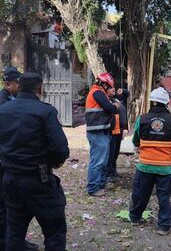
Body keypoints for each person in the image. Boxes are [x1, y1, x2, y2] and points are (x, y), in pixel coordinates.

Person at [0, 72, 69, 251]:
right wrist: (54, 162)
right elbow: (60, 148)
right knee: (54, 230)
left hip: (10, 178)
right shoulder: (45, 111)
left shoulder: (3, 110)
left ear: (19, 87)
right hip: (38, 179)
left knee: (14, 230)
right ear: (40, 88)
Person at [129, 87, 171, 236]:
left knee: (140, 194)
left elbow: (135, 139)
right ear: (166, 103)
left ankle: (134, 218)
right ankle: (163, 226)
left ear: (152, 102)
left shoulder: (143, 119)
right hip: (165, 168)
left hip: (145, 166)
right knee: (164, 197)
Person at [85, 73, 120, 196]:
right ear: (104, 84)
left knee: (102, 160)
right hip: (97, 132)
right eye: (109, 86)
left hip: (101, 131)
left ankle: (99, 184)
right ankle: (93, 188)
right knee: (98, 161)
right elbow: (109, 108)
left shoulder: (99, 92)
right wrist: (114, 106)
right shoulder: (97, 92)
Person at [106, 89, 128, 182]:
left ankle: (113, 170)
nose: (113, 90)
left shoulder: (116, 99)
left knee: (116, 152)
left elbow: (127, 94)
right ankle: (108, 173)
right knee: (111, 152)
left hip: (119, 129)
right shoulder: (106, 100)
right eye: (111, 89)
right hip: (112, 130)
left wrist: (122, 90)